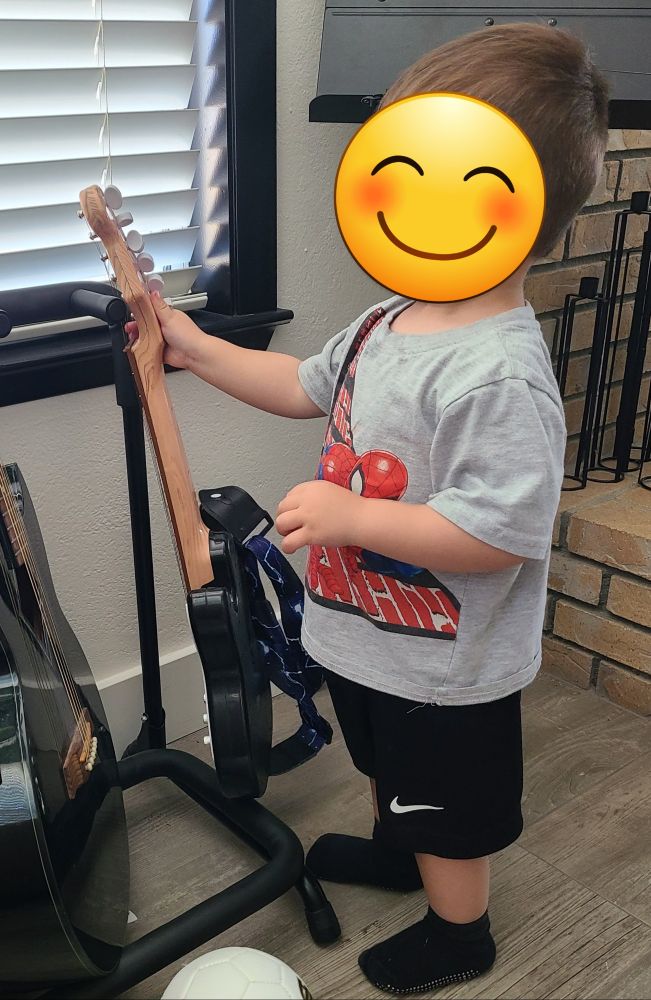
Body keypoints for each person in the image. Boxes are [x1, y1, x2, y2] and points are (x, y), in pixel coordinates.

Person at [126, 22, 609, 994]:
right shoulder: (393, 318)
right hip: (369, 634)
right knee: (390, 769)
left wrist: (355, 521)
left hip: (447, 661)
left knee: (449, 801)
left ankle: (458, 929)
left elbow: (496, 536)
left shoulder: (498, 377)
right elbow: (304, 383)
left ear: (511, 207)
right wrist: (195, 347)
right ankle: (403, 847)